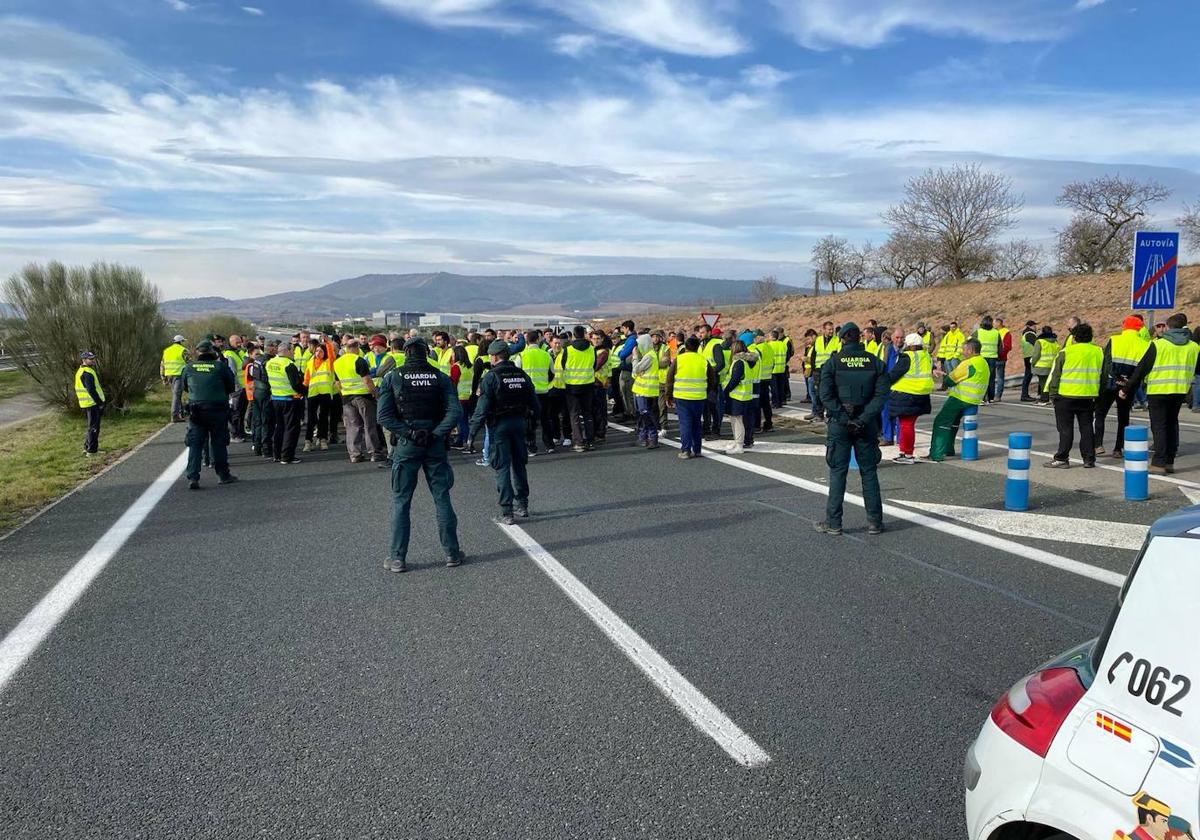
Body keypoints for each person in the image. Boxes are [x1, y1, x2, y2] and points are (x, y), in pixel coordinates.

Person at [375, 337, 465, 573]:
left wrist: (410, 433)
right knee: (442, 497)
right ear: (427, 353)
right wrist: (436, 434)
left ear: (405, 353)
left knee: (401, 501)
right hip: (434, 444)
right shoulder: (440, 377)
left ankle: (397, 558)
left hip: (407, 444)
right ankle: (452, 553)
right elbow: (455, 410)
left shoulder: (393, 377)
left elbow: (384, 416)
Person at [814, 323, 889, 536]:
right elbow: (881, 396)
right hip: (866, 426)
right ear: (861, 339)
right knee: (869, 472)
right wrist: (863, 419)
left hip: (840, 425)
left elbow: (825, 395)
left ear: (842, 339)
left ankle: (834, 523)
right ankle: (875, 522)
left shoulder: (833, 362)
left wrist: (843, 418)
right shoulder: (875, 362)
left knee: (838, 472)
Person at [469, 340, 539, 525]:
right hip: (519, 423)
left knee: (501, 466)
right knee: (519, 464)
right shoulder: (521, 374)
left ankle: (507, 512)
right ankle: (522, 505)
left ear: (493, 356)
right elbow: (534, 402)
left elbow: (481, 409)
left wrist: (472, 433)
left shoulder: (491, 377)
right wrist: (533, 424)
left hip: (499, 425)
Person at [1121, 312, 1200, 475]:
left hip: (1158, 391)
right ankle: (1169, 461)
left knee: (1159, 426)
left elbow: (1141, 369)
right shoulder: (1194, 346)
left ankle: (1159, 463)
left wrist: (1126, 389)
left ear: (1169, 327)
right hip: (1180, 391)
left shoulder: (1158, 345)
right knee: (1172, 424)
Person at [180, 339, 238, 489]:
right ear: (212, 352)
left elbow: (184, 387)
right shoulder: (220, 367)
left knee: (195, 444)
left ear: (198, 352)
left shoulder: (189, 367)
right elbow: (231, 386)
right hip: (217, 410)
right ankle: (223, 475)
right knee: (218, 443)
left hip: (196, 411)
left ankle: (193, 477)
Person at [1044, 323, 1103, 469]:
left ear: (1074, 337)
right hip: (1088, 396)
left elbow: (1055, 375)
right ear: (1091, 337)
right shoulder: (1098, 352)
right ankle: (1089, 459)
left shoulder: (1066, 352)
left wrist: (1052, 394)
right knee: (1087, 427)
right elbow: (1104, 375)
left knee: (1065, 429)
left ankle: (1062, 458)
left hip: (1066, 396)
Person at [1093, 315, 1149, 458]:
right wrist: (1128, 383)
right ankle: (1118, 448)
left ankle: (1098, 444)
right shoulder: (1144, 344)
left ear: (1124, 326)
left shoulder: (1114, 339)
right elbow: (1141, 369)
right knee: (1123, 417)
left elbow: (1107, 364)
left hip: (1111, 383)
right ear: (1139, 328)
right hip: (1128, 386)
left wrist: (1116, 378)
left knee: (1100, 413)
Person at [927, 338, 989, 462]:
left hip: (960, 398)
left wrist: (943, 376)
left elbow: (950, 380)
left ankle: (936, 453)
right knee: (954, 423)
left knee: (941, 422)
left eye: (964, 349)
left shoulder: (967, 363)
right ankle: (948, 449)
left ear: (971, 350)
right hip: (974, 400)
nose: (962, 352)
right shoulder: (983, 362)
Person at [334, 339, 386, 464]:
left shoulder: (337, 362)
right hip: (363, 397)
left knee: (353, 426)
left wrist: (344, 393)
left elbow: (337, 383)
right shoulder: (359, 360)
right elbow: (367, 381)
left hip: (347, 398)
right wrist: (375, 394)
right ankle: (374, 453)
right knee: (369, 425)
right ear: (357, 347)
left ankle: (355, 454)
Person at [666, 337, 716, 459]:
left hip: (682, 397)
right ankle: (697, 450)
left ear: (686, 347)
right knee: (697, 423)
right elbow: (712, 380)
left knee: (685, 424)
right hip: (699, 397)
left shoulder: (679, 360)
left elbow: (670, 379)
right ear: (698, 347)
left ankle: (686, 450)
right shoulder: (703, 360)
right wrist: (706, 391)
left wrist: (668, 396)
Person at [887, 333, 934, 465]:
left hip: (906, 394)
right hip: (922, 394)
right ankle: (904, 452)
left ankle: (907, 454)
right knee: (908, 424)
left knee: (906, 425)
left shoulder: (907, 357)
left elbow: (895, 374)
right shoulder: (926, 356)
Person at [266, 341, 307, 464]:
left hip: (275, 399)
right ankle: (287, 456)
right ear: (287, 351)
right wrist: (305, 390)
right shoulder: (289, 364)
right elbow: (296, 384)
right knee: (291, 429)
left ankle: (277, 454)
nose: (294, 353)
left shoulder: (270, 362)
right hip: (289, 400)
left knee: (279, 428)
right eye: (293, 350)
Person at [558, 325, 597, 452]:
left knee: (574, 414)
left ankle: (579, 442)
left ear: (573, 335)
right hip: (588, 384)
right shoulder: (591, 348)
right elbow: (594, 365)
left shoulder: (568, 350)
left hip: (572, 385)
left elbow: (563, 366)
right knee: (587, 413)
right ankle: (590, 441)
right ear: (584, 334)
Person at [519, 330, 554, 454]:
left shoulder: (522, 355)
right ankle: (549, 444)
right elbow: (552, 372)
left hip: (528, 393)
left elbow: (518, 373)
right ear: (538, 340)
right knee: (546, 419)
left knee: (529, 420)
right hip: (544, 391)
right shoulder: (545, 354)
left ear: (527, 341)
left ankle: (531, 446)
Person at [722, 339, 758, 454]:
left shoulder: (739, 362)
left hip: (738, 396)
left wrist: (726, 391)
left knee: (737, 420)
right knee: (736, 420)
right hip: (744, 395)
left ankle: (739, 445)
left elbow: (735, 380)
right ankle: (738, 441)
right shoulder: (747, 361)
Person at [303, 341, 335, 452]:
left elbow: (331, 354)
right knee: (311, 418)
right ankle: (308, 441)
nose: (318, 353)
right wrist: (301, 391)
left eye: (321, 351)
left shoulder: (328, 362)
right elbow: (306, 379)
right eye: (316, 351)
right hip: (312, 393)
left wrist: (327, 342)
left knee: (323, 418)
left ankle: (323, 440)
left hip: (325, 393)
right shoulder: (310, 362)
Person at [805, 321, 840, 421]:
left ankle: (830, 414)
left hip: (830, 371)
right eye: (829, 329)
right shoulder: (819, 340)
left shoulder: (836, 340)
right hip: (818, 370)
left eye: (832, 329)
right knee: (818, 393)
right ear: (824, 329)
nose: (831, 331)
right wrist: (813, 369)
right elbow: (814, 356)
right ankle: (819, 414)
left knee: (830, 393)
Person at [631, 333, 660, 448]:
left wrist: (634, 357)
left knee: (646, 415)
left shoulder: (649, 356)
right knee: (642, 415)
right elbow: (635, 373)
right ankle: (643, 437)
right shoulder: (647, 355)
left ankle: (652, 438)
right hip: (642, 389)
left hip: (646, 390)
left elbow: (636, 369)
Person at [74, 350, 106, 455]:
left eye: (93, 359)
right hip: (91, 403)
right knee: (94, 427)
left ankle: (87, 447)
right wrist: (100, 402)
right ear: (84, 360)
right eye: (90, 359)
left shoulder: (84, 370)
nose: (93, 361)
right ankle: (92, 451)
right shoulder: (86, 372)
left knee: (91, 426)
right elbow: (91, 390)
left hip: (89, 403)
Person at [245, 344, 271, 456]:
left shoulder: (253, 364)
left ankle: (257, 445)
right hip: (257, 395)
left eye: (259, 354)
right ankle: (263, 447)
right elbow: (264, 379)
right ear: (250, 355)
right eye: (256, 354)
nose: (258, 356)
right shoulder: (253, 365)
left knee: (258, 422)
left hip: (255, 395)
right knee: (262, 421)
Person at [223, 335, 248, 442]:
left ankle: (241, 432)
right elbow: (232, 373)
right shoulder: (229, 354)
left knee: (242, 412)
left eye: (240, 341)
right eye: (237, 342)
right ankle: (235, 434)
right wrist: (235, 388)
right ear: (231, 342)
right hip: (236, 389)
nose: (239, 343)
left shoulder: (241, 352)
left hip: (244, 386)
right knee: (235, 412)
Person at [972, 315, 1001, 404]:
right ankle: (991, 397)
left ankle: (982, 397)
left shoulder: (978, 332)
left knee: (981, 377)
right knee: (991, 378)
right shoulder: (996, 332)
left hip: (981, 358)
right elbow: (1000, 346)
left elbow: (970, 342)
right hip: (992, 357)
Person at [161, 335, 189, 422]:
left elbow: (162, 365)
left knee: (177, 395)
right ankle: (174, 416)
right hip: (179, 374)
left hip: (169, 375)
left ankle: (180, 413)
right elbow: (189, 363)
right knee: (176, 395)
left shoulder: (166, 350)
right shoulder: (183, 350)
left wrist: (163, 378)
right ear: (181, 342)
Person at [615, 320, 637, 422]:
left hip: (627, 370)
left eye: (623, 328)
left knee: (627, 393)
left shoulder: (631, 340)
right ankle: (629, 412)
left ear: (627, 328)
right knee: (625, 393)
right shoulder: (630, 339)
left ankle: (631, 414)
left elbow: (622, 354)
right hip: (625, 369)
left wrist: (621, 353)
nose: (623, 331)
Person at [1030, 326, 1059, 405]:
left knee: (1043, 383)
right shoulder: (1055, 341)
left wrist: (1033, 363)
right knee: (1050, 382)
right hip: (1052, 365)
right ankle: (1051, 397)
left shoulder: (1040, 341)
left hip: (1041, 365)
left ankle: (1044, 399)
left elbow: (1036, 355)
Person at [1019, 321, 1038, 402]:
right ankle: (1024, 395)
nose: (1035, 327)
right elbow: (1036, 344)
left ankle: (1025, 394)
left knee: (1028, 376)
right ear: (1030, 326)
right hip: (1030, 357)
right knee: (1028, 376)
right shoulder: (1030, 334)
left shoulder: (1026, 333)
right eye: (1034, 326)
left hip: (1027, 356)